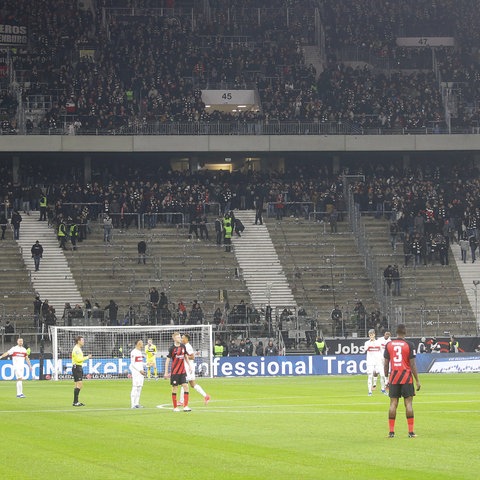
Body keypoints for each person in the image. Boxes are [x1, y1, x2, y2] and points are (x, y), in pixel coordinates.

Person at [384, 324, 421, 438]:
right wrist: (417, 381)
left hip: (394, 377)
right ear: (405, 332)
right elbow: (412, 364)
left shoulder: (389, 344)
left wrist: (386, 378)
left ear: (396, 333)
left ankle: (391, 432)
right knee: (408, 404)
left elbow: (386, 363)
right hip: (406, 377)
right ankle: (410, 432)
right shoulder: (409, 345)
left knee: (393, 404)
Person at [179, 333, 211, 406]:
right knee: (193, 384)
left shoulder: (188, 346)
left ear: (186, 339)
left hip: (188, 368)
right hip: (188, 367)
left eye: (183, 338)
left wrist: (184, 357)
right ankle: (206, 396)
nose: (181, 339)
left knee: (184, 383)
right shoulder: (185, 346)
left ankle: (181, 401)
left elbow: (193, 357)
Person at [162, 332, 191, 412]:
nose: (180, 338)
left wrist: (189, 366)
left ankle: (185, 406)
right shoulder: (172, 348)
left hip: (182, 372)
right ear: (174, 338)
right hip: (175, 372)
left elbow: (185, 356)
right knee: (175, 388)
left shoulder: (183, 346)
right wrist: (166, 372)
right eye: (178, 337)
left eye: (180, 337)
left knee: (186, 386)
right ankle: (175, 407)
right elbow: (167, 360)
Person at [364, 329, 387, 396]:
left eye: (372, 334)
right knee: (370, 376)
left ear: (374, 334)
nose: (371, 336)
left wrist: (383, 359)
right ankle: (370, 392)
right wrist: (370, 342)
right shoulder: (367, 343)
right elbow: (365, 349)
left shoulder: (378, 342)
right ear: (369, 335)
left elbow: (381, 351)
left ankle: (383, 389)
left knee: (382, 375)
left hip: (378, 361)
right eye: (370, 335)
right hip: (370, 361)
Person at [71, 336, 92, 406]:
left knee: (77, 384)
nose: (83, 341)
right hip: (77, 367)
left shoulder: (78, 349)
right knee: (79, 384)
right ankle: (75, 402)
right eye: (82, 340)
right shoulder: (76, 349)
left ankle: (75, 402)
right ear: (78, 341)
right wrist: (87, 357)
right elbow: (78, 360)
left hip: (78, 367)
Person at [129, 339, 146, 409]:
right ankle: (133, 404)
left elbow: (139, 363)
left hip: (140, 372)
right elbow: (133, 364)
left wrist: (146, 364)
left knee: (139, 388)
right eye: (141, 342)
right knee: (135, 387)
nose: (143, 344)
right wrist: (139, 370)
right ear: (138, 343)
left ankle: (137, 403)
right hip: (136, 372)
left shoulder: (139, 352)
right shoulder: (134, 352)